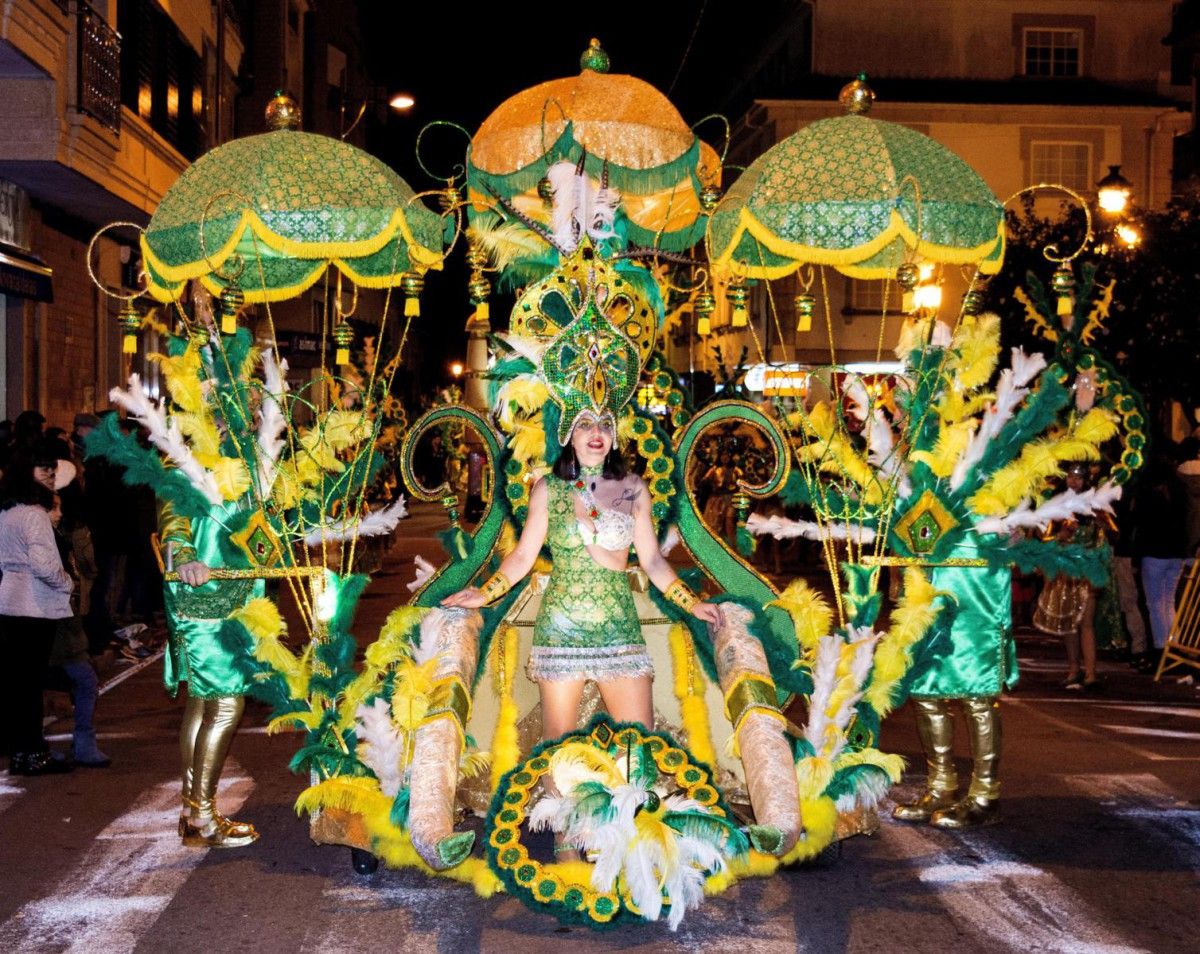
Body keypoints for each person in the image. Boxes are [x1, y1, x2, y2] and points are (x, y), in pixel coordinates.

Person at [443, 412, 721, 742]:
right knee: (558, 746)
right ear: (567, 435)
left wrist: (692, 604)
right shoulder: (548, 489)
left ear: (615, 436)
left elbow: (652, 562)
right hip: (561, 627)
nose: (597, 432)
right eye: (585, 423)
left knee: (637, 742)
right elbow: (522, 556)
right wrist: (484, 594)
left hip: (617, 626)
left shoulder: (632, 489)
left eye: (606, 423)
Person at [0, 468, 75, 774]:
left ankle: (20, 749)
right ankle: (34, 751)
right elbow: (43, 564)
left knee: (18, 681)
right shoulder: (35, 515)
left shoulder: (6, 514)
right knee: (32, 681)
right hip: (35, 603)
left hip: (8, 598)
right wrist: (67, 582)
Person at [1032, 464, 1112, 690]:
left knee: (1086, 623)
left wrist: (1100, 523)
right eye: (1070, 476)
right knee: (1068, 624)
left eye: (1078, 477)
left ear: (1086, 480)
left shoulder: (1096, 505)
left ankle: (1091, 673)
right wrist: (1062, 534)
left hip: (1086, 570)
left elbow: (1110, 535)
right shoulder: (1058, 505)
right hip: (1065, 571)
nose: (1073, 481)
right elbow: (1045, 539)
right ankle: (1074, 670)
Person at [46, 492, 109, 767]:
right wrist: (70, 584)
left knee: (81, 681)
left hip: (58, 619)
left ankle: (78, 742)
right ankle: (83, 742)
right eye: (53, 507)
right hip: (58, 619)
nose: (57, 512)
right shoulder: (58, 536)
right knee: (85, 681)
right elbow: (86, 569)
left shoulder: (57, 534)